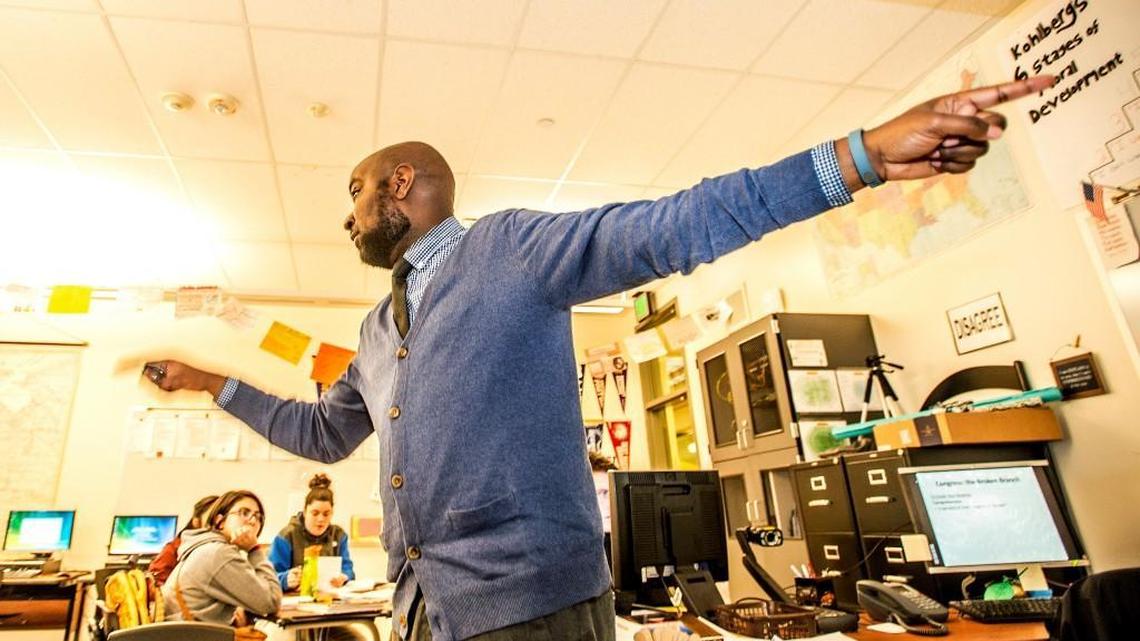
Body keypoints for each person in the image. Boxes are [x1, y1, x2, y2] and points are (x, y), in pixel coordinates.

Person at [142, 74, 1053, 641]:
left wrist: (858, 156)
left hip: (530, 608)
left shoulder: (511, 249)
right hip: (423, 611)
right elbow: (321, 430)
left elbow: (677, 223)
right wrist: (209, 380)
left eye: (354, 192)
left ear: (401, 186)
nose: (346, 218)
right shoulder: (381, 329)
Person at [161, 489, 282, 625]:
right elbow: (271, 601)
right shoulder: (219, 553)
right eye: (244, 513)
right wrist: (254, 550)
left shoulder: (204, 547)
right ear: (220, 521)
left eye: (258, 517)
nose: (253, 521)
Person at [268, 473, 355, 591]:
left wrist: (344, 577)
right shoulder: (286, 537)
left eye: (326, 514)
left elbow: (348, 569)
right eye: (315, 513)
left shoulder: (339, 535)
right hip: (294, 601)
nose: (321, 519)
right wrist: (285, 579)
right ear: (305, 512)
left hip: (330, 598)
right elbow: (269, 577)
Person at [148, 494, 218, 586]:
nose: (218, 522)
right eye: (212, 517)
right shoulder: (176, 548)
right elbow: (155, 580)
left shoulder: (222, 548)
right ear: (196, 522)